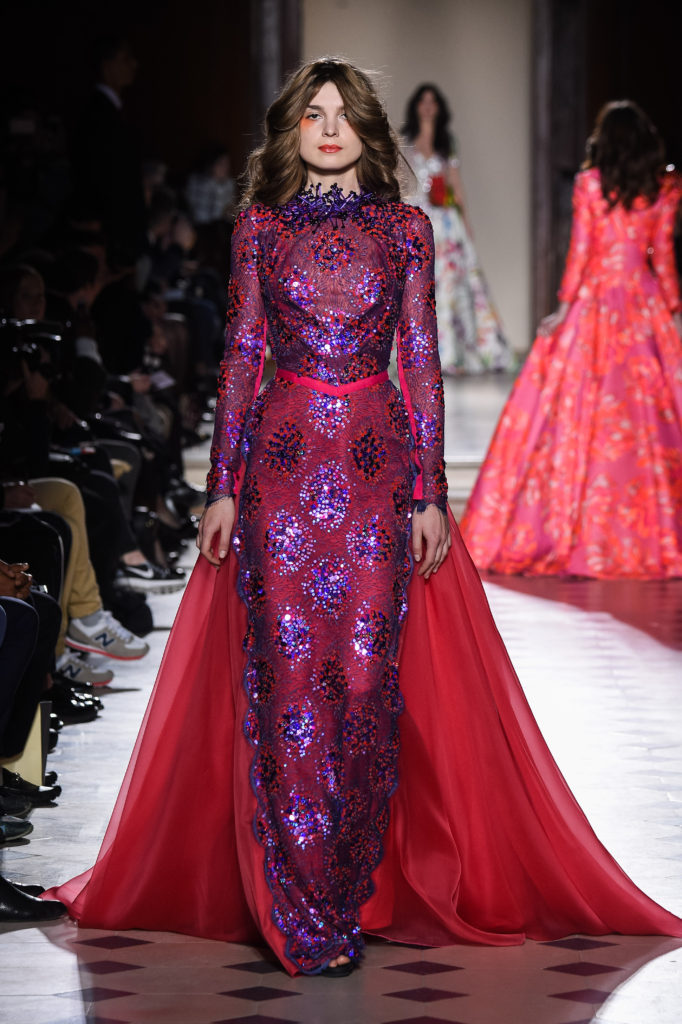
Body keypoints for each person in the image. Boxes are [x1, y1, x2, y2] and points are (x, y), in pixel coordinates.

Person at [45, 62, 682, 976]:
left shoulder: (406, 231)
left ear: (370, 129)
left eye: (345, 114)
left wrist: (430, 493)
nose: (330, 126)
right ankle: (301, 908)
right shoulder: (261, 230)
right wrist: (221, 484)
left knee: (361, 678)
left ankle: (347, 887)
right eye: (314, 112)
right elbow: (239, 361)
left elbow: (420, 364)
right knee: (290, 682)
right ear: (292, 128)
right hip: (282, 470)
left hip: (379, 476)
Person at [460, 100, 682, 578]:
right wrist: (671, 311)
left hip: (595, 303)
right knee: (649, 418)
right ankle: (648, 533)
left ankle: (576, 527)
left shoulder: (591, 184)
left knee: (576, 414)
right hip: (642, 307)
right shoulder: (663, 186)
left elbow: (582, 250)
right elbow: (661, 257)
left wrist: (563, 309)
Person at [401, 83, 512, 375]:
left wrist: (467, 224)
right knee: (417, 287)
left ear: (439, 107)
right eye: (422, 100)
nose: (427, 105)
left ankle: (450, 356)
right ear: (415, 106)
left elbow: (456, 185)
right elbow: (399, 182)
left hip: (446, 225)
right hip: (417, 223)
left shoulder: (446, 142)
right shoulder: (404, 140)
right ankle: (418, 356)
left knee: (449, 289)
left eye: (432, 101)